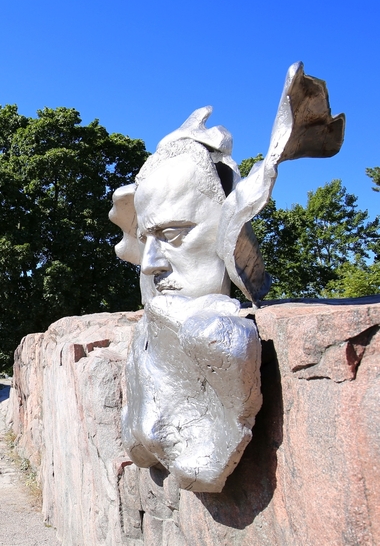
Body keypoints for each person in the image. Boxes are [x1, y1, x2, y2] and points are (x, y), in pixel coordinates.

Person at [109, 107, 263, 492]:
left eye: (174, 234)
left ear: (232, 225)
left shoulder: (214, 334)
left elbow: (204, 467)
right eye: (146, 240)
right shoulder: (149, 339)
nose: (150, 265)